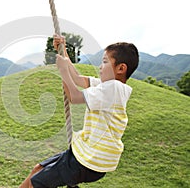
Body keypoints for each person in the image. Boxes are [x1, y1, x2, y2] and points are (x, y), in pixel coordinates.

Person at [19, 35, 139, 188]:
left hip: (89, 161)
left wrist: (62, 70)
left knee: (37, 184)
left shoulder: (114, 89)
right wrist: (63, 51)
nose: (100, 67)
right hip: (83, 154)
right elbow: (76, 78)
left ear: (121, 68)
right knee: (37, 170)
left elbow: (74, 97)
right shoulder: (106, 86)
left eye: (104, 62)